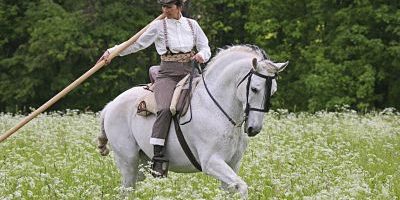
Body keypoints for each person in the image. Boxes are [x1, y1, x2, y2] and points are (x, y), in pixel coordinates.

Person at [97, 0, 211, 177]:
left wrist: (202, 55)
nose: (164, 10)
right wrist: (113, 52)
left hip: (192, 72)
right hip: (168, 74)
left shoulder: (192, 24)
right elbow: (137, 44)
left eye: (169, 7)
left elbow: (205, 46)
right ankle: (158, 157)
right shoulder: (158, 26)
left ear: (179, 7)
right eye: (163, 7)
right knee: (165, 108)